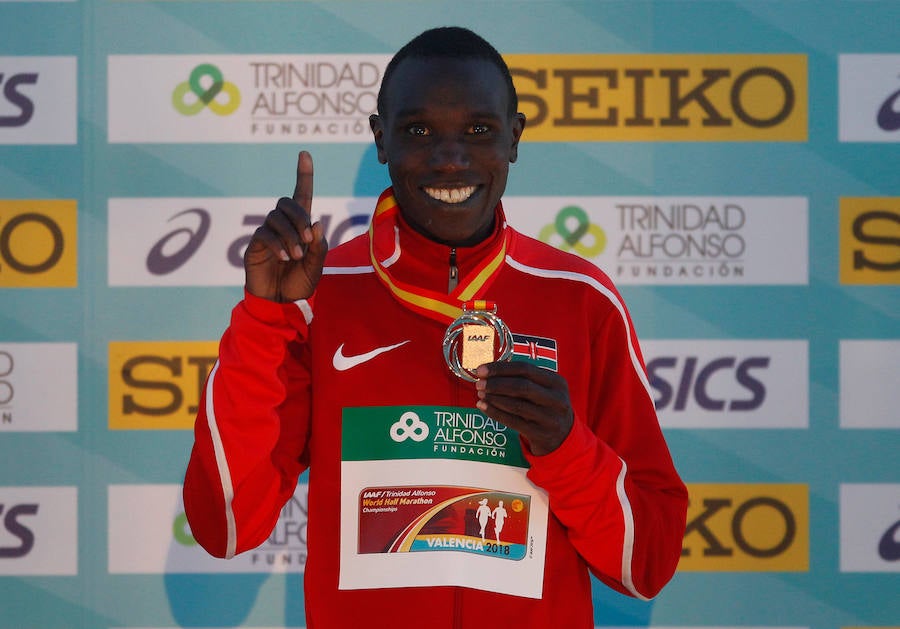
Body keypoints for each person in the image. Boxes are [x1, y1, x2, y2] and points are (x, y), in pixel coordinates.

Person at [183, 26, 687, 628]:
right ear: (381, 140)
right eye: (420, 131)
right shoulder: (320, 293)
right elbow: (227, 526)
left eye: (479, 131)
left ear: (515, 139)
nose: (452, 158)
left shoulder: (580, 299)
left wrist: (566, 449)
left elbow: (646, 563)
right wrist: (265, 319)